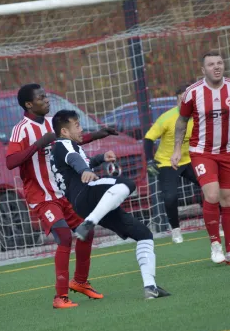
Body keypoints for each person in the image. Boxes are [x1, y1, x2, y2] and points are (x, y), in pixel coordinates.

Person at [6, 83, 118, 309]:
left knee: (86, 232)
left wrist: (99, 134)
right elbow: (10, 162)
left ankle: (81, 282)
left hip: (63, 192)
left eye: (46, 96)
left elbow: (72, 142)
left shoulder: (52, 124)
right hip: (41, 196)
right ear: (29, 104)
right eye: (41, 98)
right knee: (65, 237)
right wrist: (38, 144)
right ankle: (60, 297)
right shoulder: (21, 129)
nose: (46, 100)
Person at [50, 109, 171, 300]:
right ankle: (89, 222)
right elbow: (75, 161)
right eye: (77, 125)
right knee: (127, 183)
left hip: (87, 202)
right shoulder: (63, 145)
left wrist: (99, 159)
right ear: (64, 131)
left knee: (144, 235)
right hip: (87, 194)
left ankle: (150, 287)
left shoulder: (66, 147)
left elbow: (81, 161)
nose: (81, 129)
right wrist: (83, 170)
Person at [171, 52, 230, 264]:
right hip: (201, 152)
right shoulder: (192, 93)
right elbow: (182, 121)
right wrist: (177, 149)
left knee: (227, 199)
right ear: (203, 70)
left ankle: (229, 250)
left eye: (220, 63)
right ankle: (215, 244)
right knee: (212, 195)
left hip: (227, 152)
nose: (217, 67)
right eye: (211, 64)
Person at [144, 84, 201, 244]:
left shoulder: (200, 117)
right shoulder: (166, 118)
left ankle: (218, 223)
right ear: (176, 102)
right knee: (170, 197)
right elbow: (148, 138)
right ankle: (175, 230)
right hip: (167, 163)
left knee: (210, 187)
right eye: (180, 101)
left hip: (191, 160)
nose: (183, 104)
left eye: (186, 100)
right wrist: (149, 159)